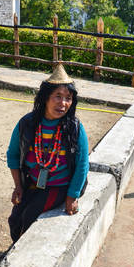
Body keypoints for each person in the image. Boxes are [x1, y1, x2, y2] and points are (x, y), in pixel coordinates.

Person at [6, 64, 89, 243]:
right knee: (15, 218)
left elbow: (82, 164)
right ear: (45, 98)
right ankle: (15, 249)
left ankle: (18, 254)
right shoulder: (27, 124)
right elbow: (13, 155)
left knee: (29, 216)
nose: (63, 103)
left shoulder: (74, 128)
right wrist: (18, 186)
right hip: (32, 182)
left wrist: (72, 196)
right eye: (57, 96)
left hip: (59, 186)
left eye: (68, 98)